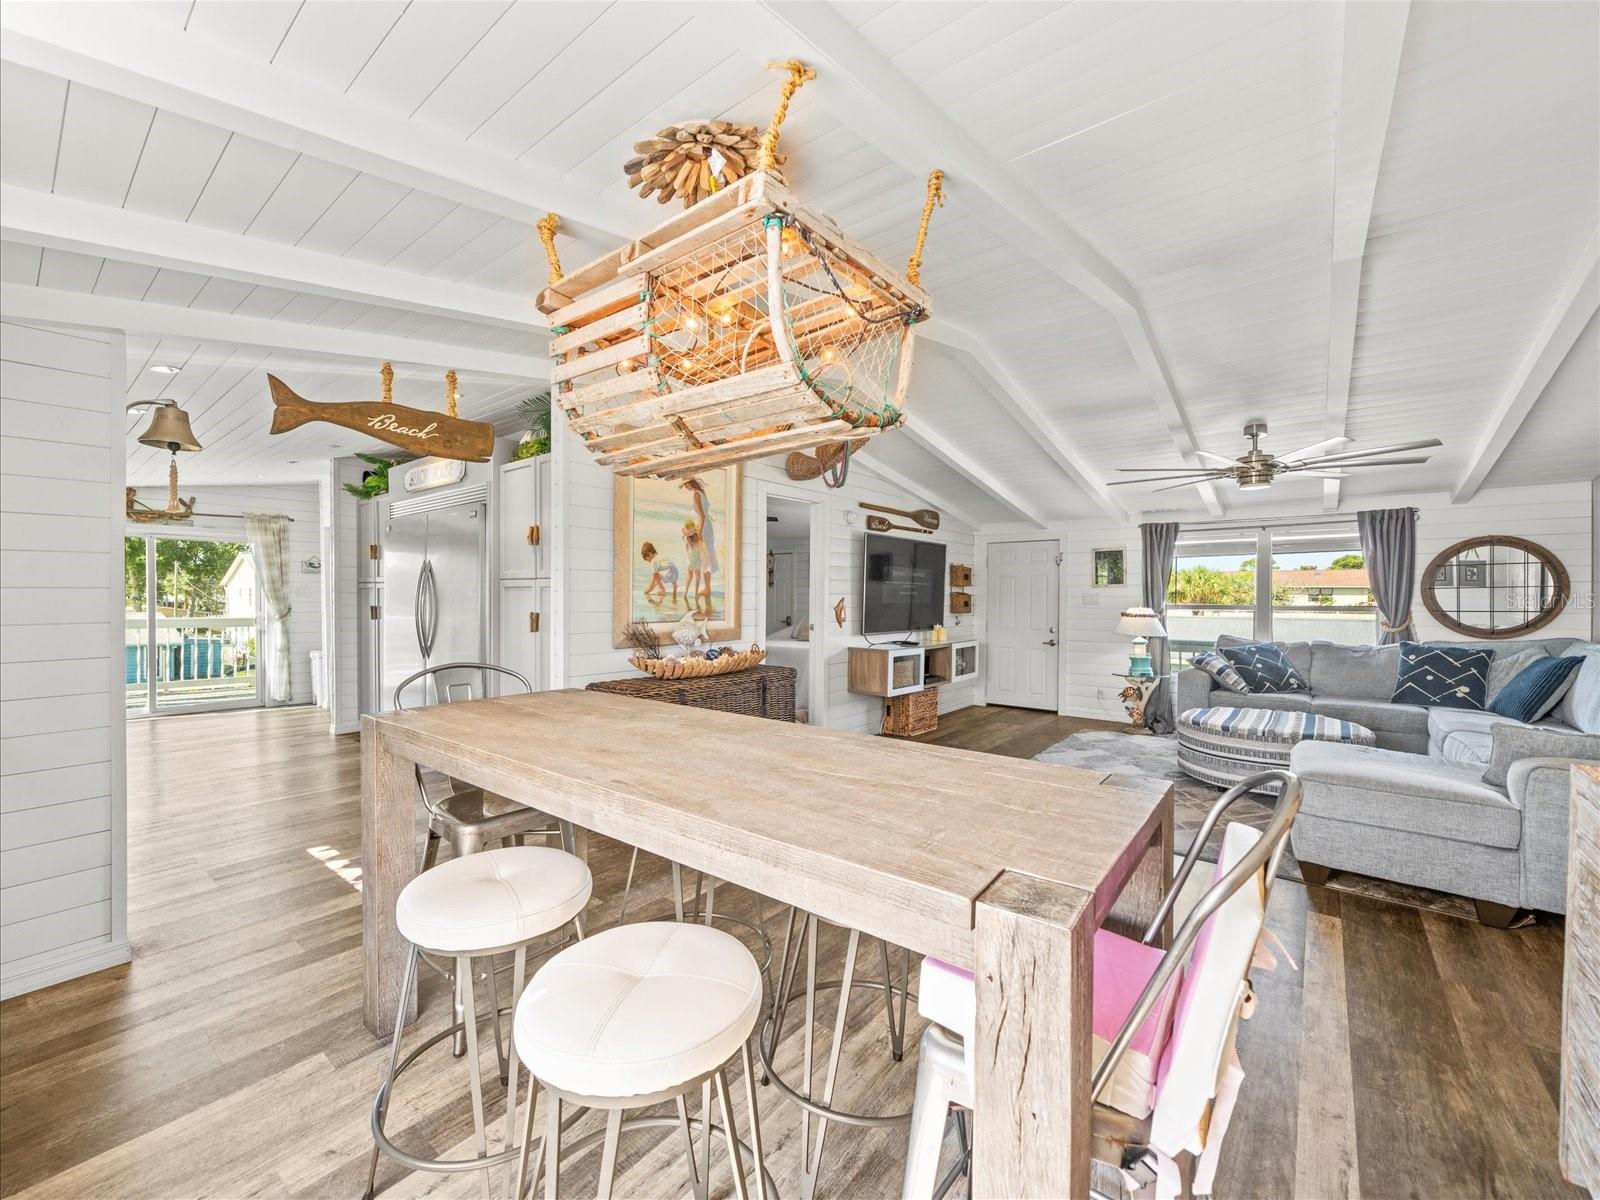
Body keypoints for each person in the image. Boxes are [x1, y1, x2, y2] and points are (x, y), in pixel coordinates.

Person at [681, 477, 718, 618]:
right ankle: (708, 587)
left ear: (690, 483)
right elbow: (703, 516)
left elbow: (701, 516)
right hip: (707, 526)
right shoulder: (702, 492)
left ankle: (707, 588)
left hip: (704, 526)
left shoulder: (697, 494)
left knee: (705, 557)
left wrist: (699, 532)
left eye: (685, 484)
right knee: (707, 556)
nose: (685, 487)